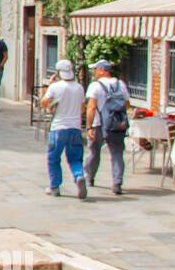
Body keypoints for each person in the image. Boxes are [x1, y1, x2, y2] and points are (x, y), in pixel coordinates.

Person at [41, 59, 88, 199]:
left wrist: (49, 85)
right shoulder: (79, 88)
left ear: (58, 73)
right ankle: (79, 176)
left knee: (53, 158)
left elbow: (44, 103)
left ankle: (54, 187)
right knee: (75, 158)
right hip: (75, 128)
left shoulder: (55, 87)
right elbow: (82, 109)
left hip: (58, 128)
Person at [85, 58, 131, 195]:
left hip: (98, 124)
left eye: (95, 69)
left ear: (102, 70)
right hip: (116, 124)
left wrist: (89, 127)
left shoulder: (95, 86)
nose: (94, 72)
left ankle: (90, 177)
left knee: (94, 152)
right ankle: (117, 183)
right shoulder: (120, 84)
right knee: (117, 153)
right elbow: (127, 104)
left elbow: (91, 107)